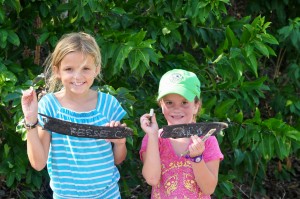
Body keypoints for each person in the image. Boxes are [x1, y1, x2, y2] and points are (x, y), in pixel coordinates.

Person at [21, 32, 127, 199]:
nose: (77, 76)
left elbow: (118, 160)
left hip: (108, 195)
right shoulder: (49, 106)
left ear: (96, 69)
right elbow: (38, 163)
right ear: (57, 71)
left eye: (85, 68)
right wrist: (30, 120)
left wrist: (120, 144)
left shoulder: (109, 105)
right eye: (69, 69)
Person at [139, 69, 224, 198]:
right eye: (169, 103)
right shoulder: (154, 138)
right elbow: (152, 179)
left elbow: (209, 188)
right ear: (161, 105)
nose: (177, 108)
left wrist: (197, 159)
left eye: (184, 102)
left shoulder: (208, 140)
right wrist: (152, 135)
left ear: (196, 105)